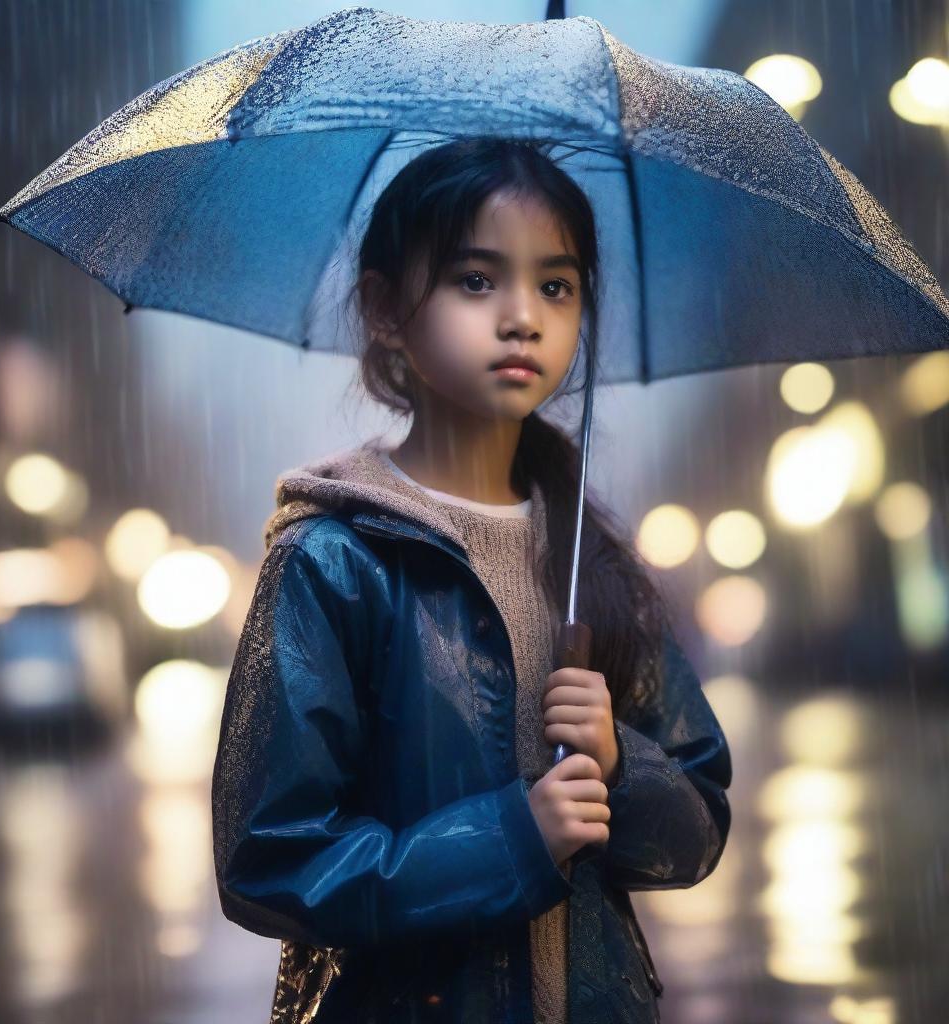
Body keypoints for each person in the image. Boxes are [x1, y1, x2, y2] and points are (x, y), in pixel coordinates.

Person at [211, 136, 732, 1024]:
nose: (523, 316)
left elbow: (698, 828)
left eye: (557, 286)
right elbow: (270, 859)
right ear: (384, 309)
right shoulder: (333, 560)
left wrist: (620, 764)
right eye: (477, 280)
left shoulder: (590, 562)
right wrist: (509, 841)